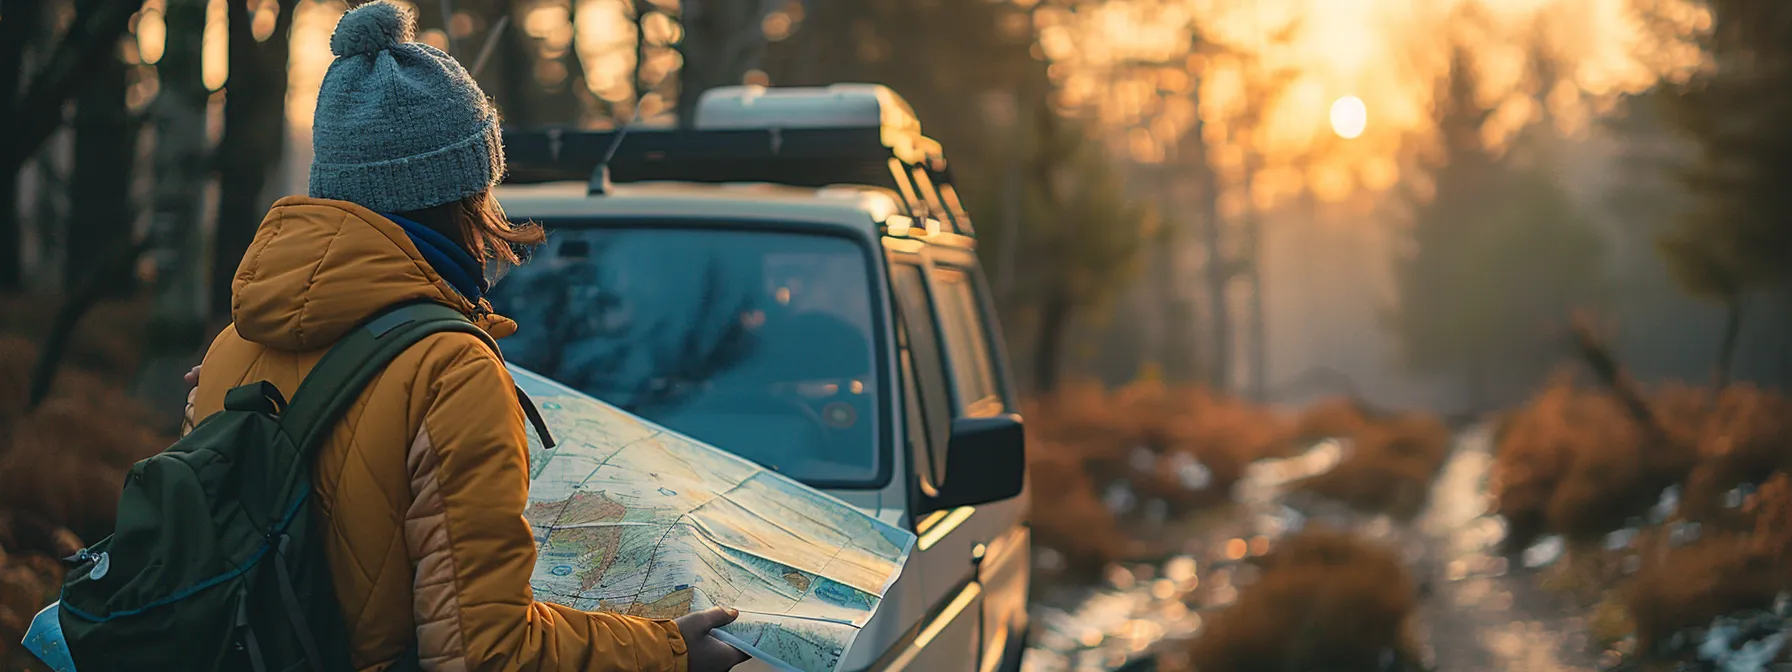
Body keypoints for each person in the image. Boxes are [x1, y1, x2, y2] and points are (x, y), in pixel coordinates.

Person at [184, 2, 747, 671]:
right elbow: (485, 653)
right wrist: (667, 652)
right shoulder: (450, 371)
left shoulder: (233, 348)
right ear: (464, 191)